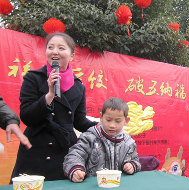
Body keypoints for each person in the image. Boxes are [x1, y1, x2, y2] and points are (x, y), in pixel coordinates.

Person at [11, 33, 98, 181]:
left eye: (61, 48)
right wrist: (49, 95)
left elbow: (79, 121)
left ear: (71, 55)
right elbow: (27, 116)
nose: (55, 51)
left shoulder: (78, 87)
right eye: (50, 47)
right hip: (36, 148)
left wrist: (102, 127)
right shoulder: (33, 78)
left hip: (64, 150)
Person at [63, 97, 141, 183]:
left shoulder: (128, 142)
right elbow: (75, 155)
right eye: (108, 120)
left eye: (118, 121)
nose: (112, 125)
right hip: (93, 185)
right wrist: (75, 169)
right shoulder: (90, 137)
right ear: (101, 117)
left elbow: (135, 160)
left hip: (117, 185)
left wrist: (132, 166)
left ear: (126, 120)